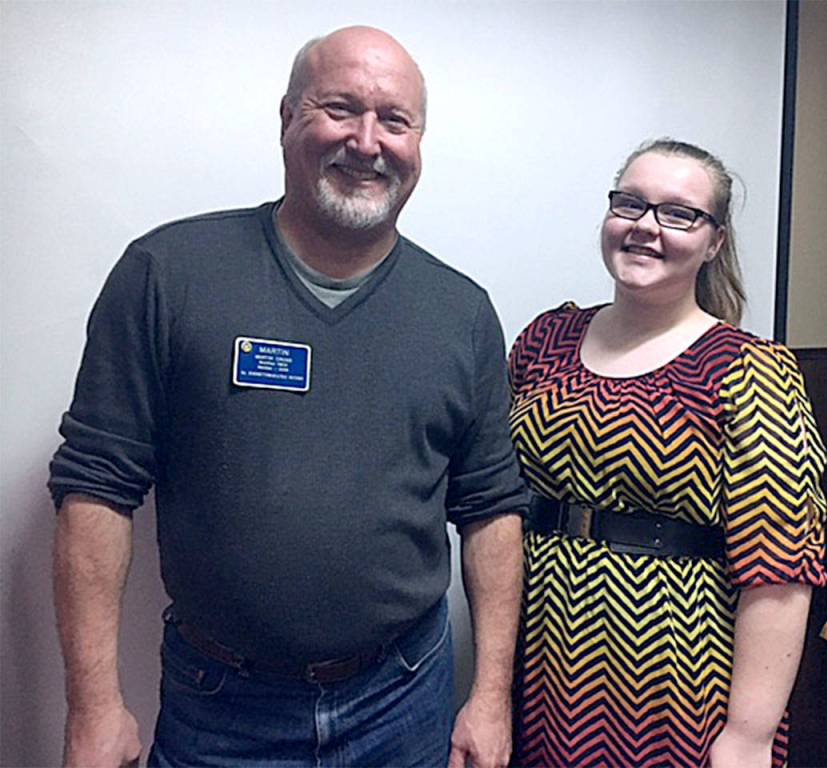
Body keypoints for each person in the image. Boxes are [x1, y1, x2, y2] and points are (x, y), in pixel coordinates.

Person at [49, 26, 526, 768]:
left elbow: (491, 509)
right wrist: (93, 707)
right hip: (220, 708)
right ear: (286, 118)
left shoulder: (460, 312)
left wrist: (490, 697)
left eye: (394, 120)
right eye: (340, 108)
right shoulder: (168, 274)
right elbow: (95, 488)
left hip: (403, 700)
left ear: (418, 143)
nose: (367, 141)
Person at [507, 139, 827, 768]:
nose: (645, 226)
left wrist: (749, 734)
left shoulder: (749, 369)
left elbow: (781, 567)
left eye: (678, 214)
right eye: (629, 204)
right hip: (539, 662)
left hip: (672, 679)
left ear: (713, 242)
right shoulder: (546, 339)